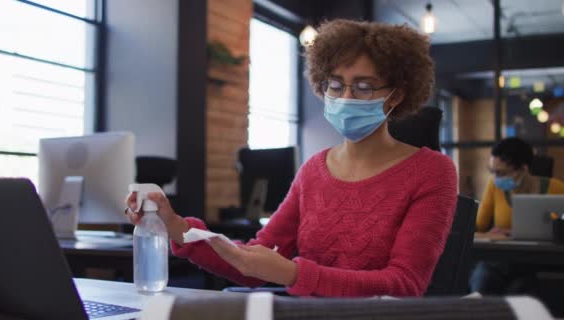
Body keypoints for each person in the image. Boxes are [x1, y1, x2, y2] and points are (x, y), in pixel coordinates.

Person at [125, 19, 458, 297]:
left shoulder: (431, 171)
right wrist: (176, 226)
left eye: (363, 87)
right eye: (335, 85)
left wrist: (294, 274)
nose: (345, 97)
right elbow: (251, 262)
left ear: (396, 95)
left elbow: (404, 285)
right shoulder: (314, 170)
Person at [471, 137, 564, 294]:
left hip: (539, 261)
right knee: (483, 278)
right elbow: (477, 226)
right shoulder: (494, 186)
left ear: (523, 169)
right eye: (492, 171)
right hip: (502, 259)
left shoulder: (556, 187)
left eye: (501, 173)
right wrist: (488, 234)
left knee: (522, 287)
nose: (495, 177)